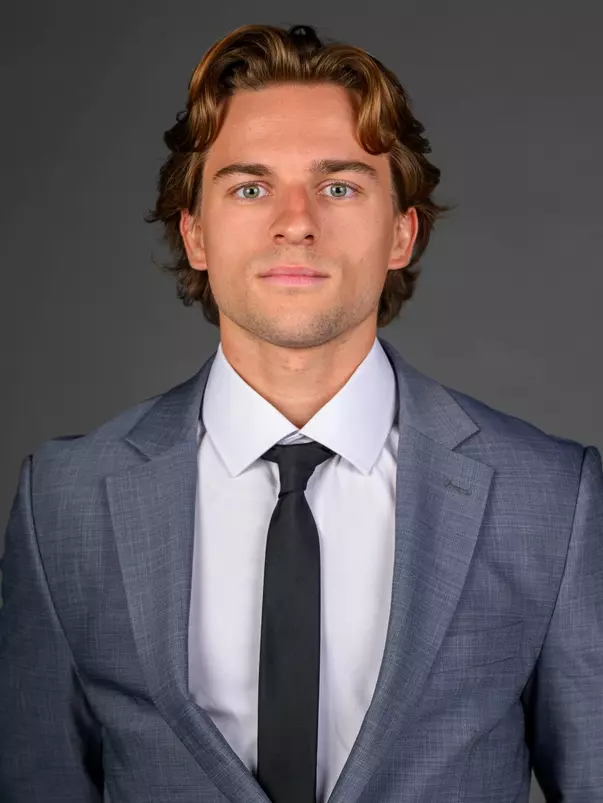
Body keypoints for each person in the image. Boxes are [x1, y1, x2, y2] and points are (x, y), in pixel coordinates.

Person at [0, 21, 601, 803]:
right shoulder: (64, 502)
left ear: (400, 231)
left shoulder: (551, 499)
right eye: (249, 187)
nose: (295, 220)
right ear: (195, 234)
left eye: (339, 185)